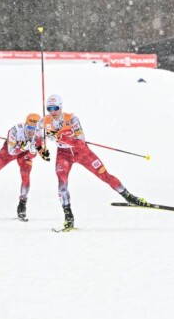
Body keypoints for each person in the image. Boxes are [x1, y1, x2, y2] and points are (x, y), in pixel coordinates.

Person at [42, 94, 149, 230]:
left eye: (55, 108)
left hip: (82, 153)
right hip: (63, 155)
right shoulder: (44, 121)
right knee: (62, 184)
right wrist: (41, 149)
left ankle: (129, 196)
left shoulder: (72, 119)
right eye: (49, 108)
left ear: (61, 107)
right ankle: (68, 217)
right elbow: (36, 138)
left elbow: (80, 142)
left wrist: (60, 136)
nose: (52, 112)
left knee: (105, 175)